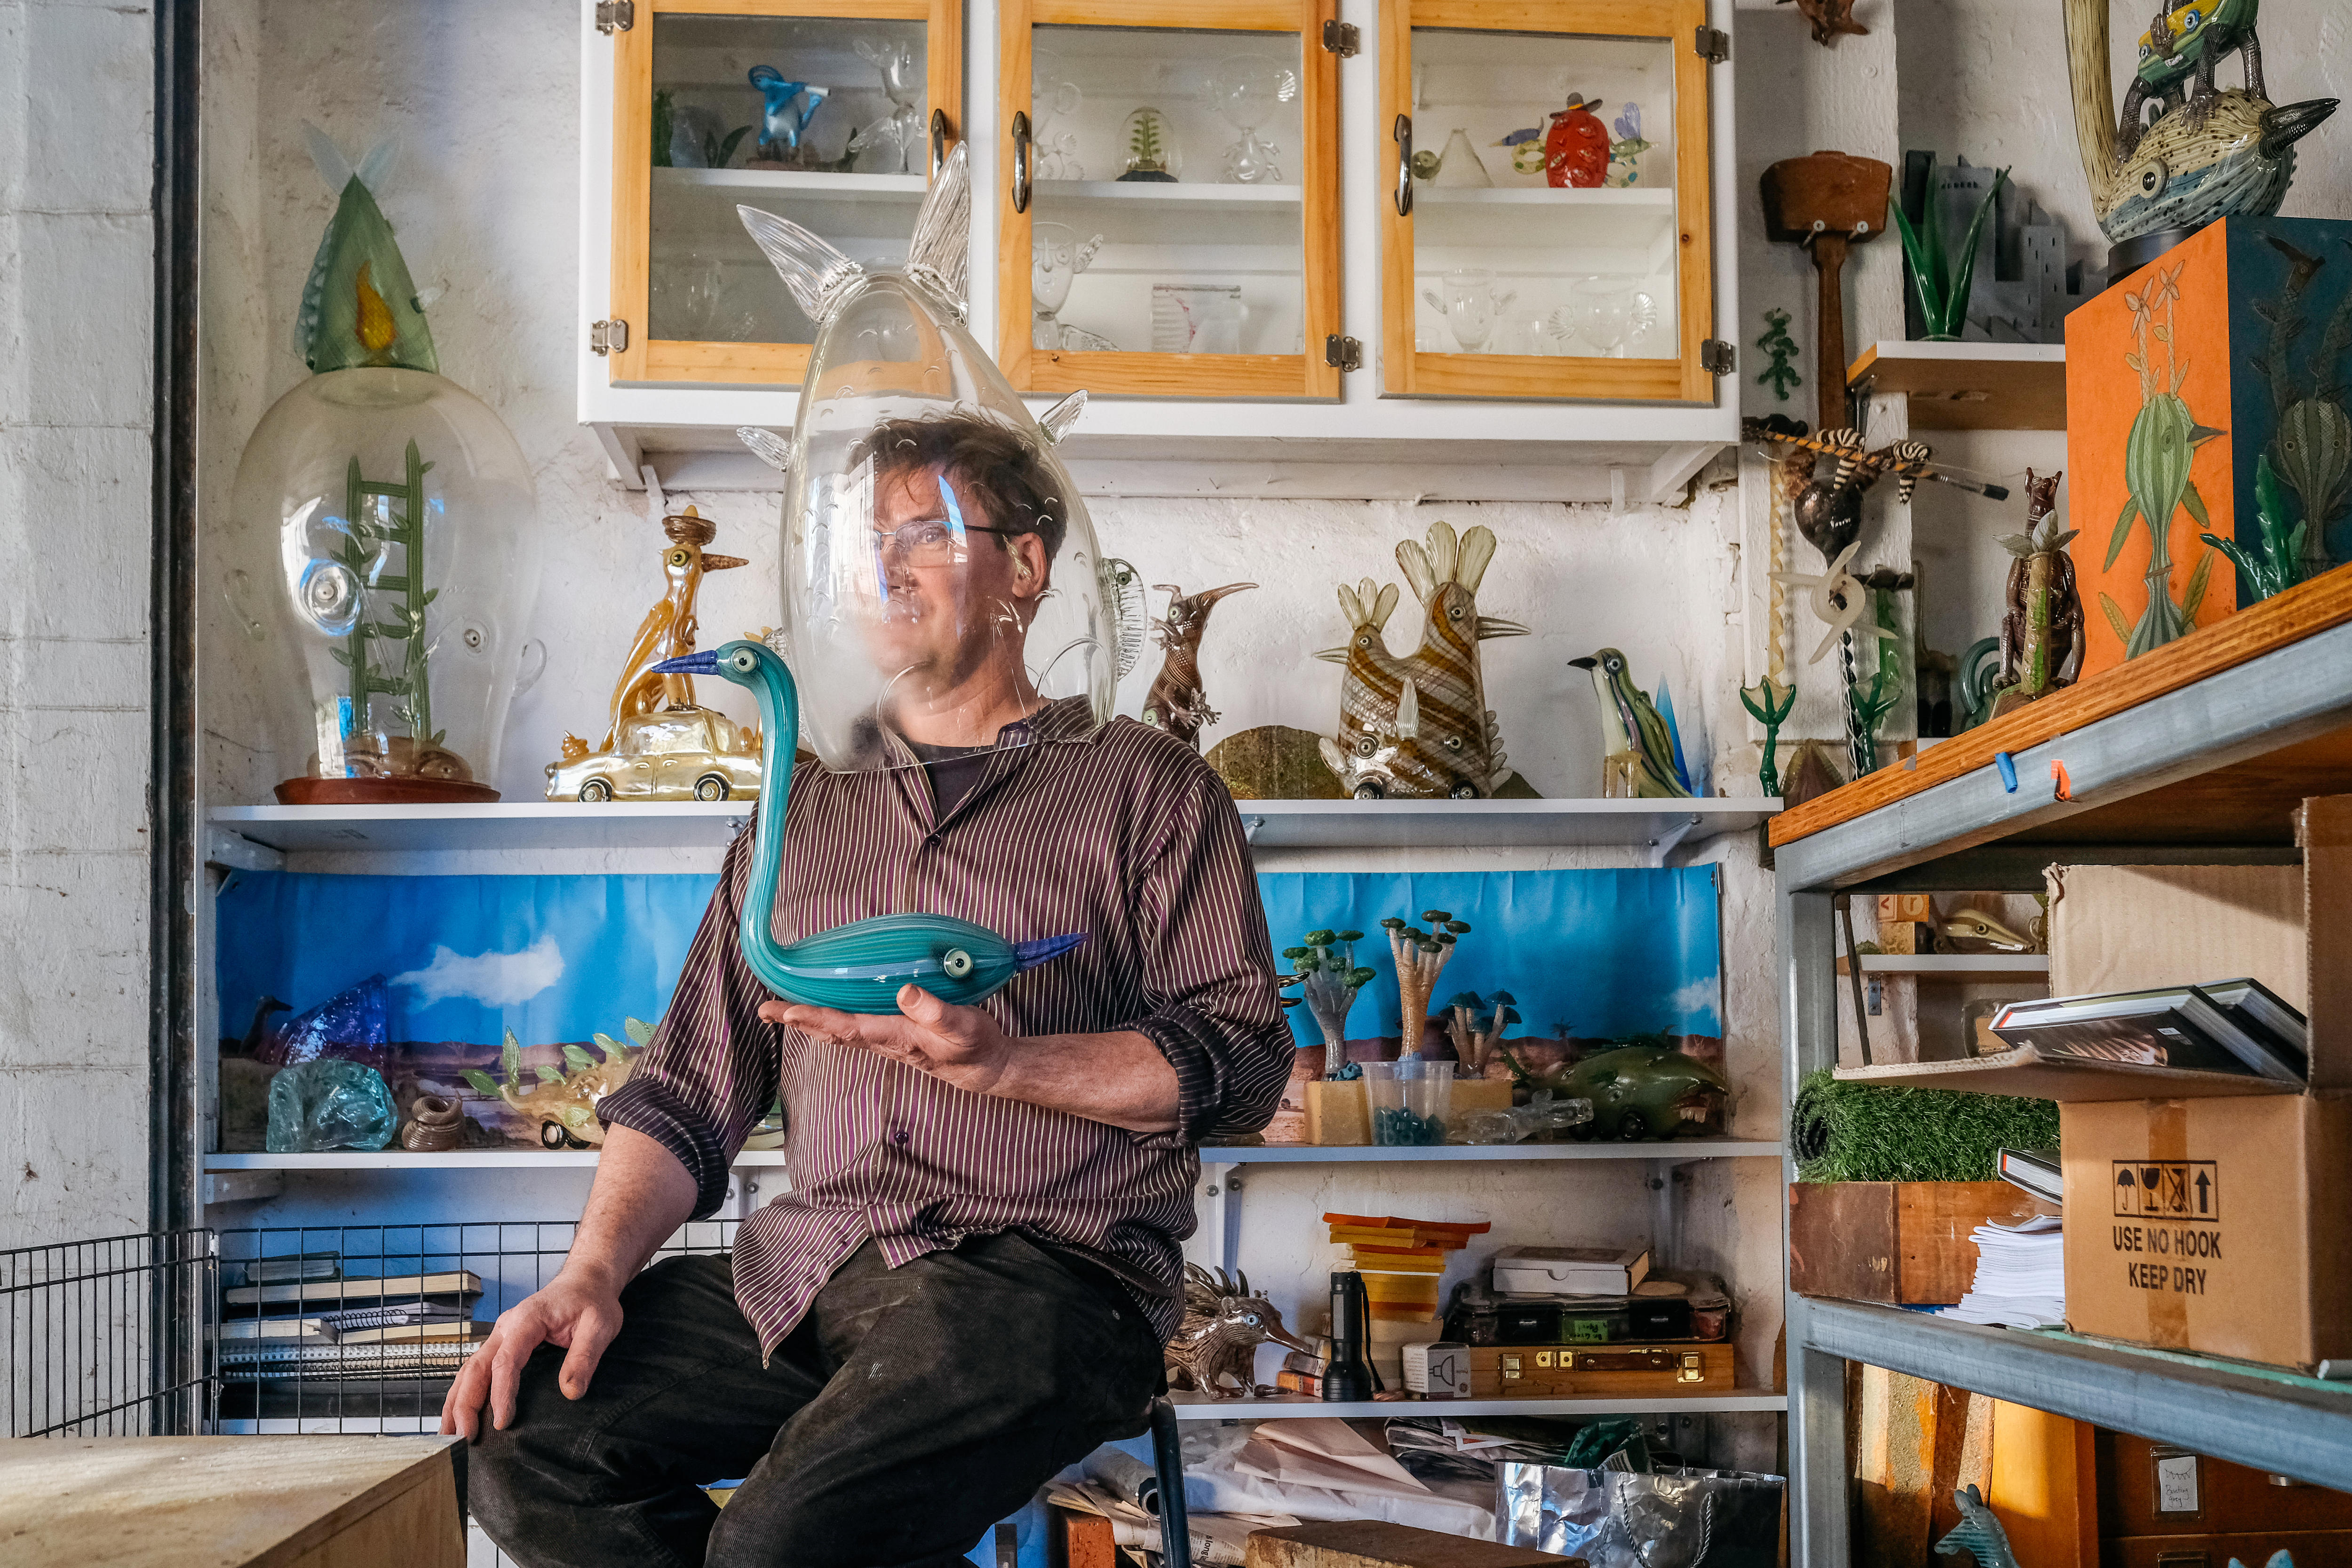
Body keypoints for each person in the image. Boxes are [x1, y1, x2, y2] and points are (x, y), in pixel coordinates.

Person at [449, 411, 1293, 1568]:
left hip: (1050, 1280)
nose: (881, 566)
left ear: (1027, 567)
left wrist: (1011, 1063)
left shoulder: (1148, 787)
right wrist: (590, 1274)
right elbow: (687, 1093)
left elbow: (1243, 1060)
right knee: (519, 1424)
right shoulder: (796, 808)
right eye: (864, 540)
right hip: (810, 1270)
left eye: (925, 535)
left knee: (778, 1544)